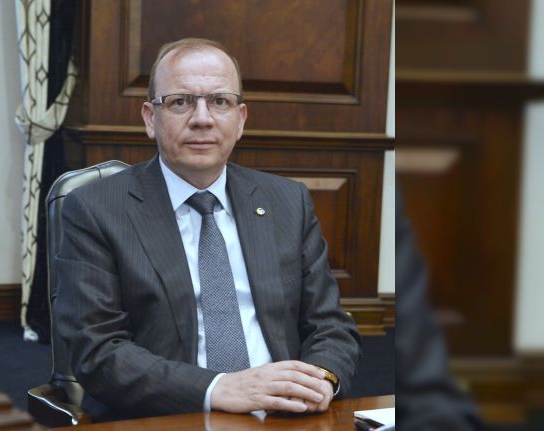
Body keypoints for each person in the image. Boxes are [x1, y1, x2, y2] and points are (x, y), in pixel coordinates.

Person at [55, 38, 361, 421]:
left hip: (285, 416)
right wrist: (217, 388)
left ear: (241, 119)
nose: (202, 118)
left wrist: (321, 379)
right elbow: (97, 350)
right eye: (180, 102)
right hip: (167, 418)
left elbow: (330, 324)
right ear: (150, 118)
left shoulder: (288, 201)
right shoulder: (97, 209)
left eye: (220, 101)